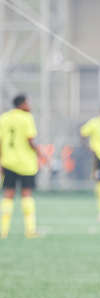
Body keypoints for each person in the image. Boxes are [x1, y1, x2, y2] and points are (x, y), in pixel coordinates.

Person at [0, 94, 43, 238]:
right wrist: (42, 155)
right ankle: (30, 230)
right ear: (21, 104)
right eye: (28, 102)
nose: (30, 105)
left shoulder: (4, 118)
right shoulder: (27, 118)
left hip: (8, 162)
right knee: (26, 194)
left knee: (8, 195)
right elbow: (30, 140)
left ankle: (3, 230)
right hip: (25, 164)